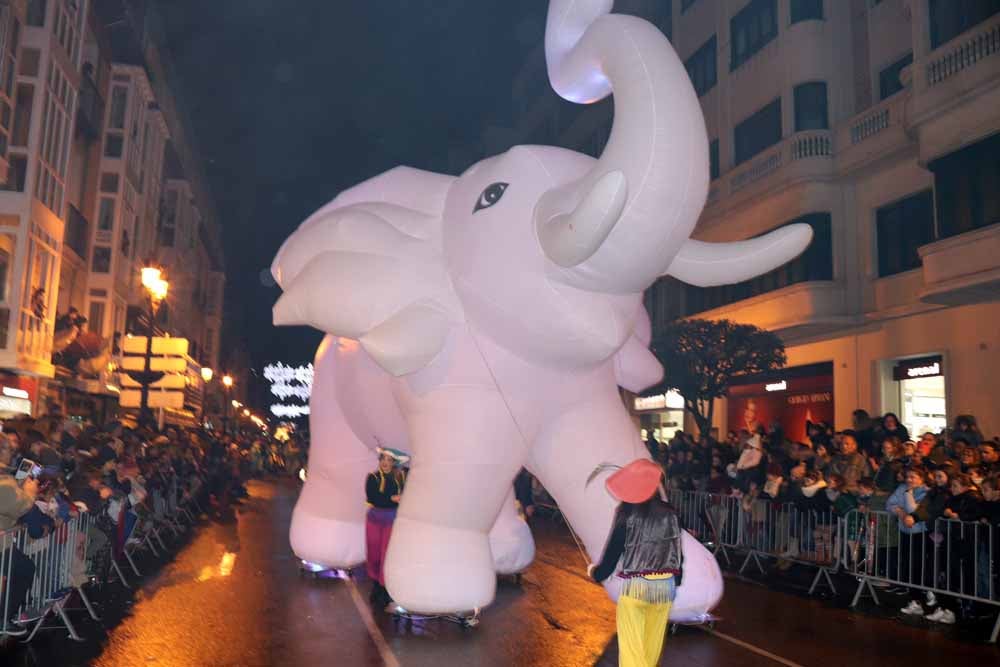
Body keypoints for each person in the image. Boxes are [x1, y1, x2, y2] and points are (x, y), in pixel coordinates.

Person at [588, 459, 683, 667]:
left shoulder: (626, 512)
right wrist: (677, 579)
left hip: (637, 588)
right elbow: (677, 550)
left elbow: (613, 552)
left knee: (632, 651)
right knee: (651, 649)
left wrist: (597, 573)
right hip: (665, 588)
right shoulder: (671, 512)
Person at [365, 446, 408, 610]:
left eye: (389, 460)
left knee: (386, 554)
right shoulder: (372, 477)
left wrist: (396, 499)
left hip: (392, 520)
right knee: (374, 553)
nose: (385, 462)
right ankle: (376, 584)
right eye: (383, 459)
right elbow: (374, 498)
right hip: (374, 519)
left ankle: (384, 588)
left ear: (394, 463)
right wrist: (393, 498)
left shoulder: (401, 477)